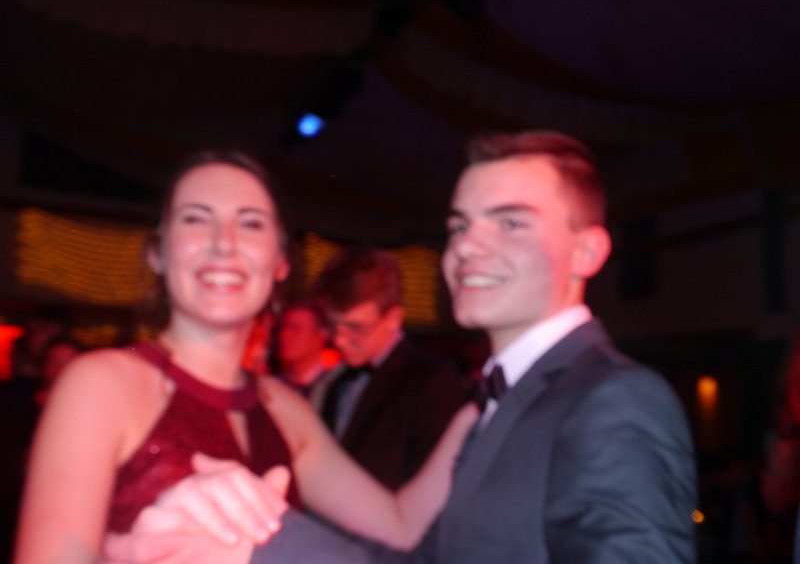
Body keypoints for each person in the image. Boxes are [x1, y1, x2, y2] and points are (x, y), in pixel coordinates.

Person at [103, 130, 698, 563]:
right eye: (460, 226)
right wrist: (259, 537)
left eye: (510, 222)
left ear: (588, 252)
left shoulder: (615, 398)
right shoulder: (496, 404)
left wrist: (265, 543)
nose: (468, 247)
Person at [14, 151, 478, 564]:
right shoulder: (101, 384)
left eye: (251, 223)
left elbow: (399, 524)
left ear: (280, 262)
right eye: (196, 219)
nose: (224, 242)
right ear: (158, 251)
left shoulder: (285, 409)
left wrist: (479, 409)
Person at [311, 247, 467, 489]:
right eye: (333, 325)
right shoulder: (336, 381)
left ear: (393, 319)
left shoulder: (432, 381)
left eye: (355, 327)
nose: (339, 341)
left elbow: (435, 483)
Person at [274, 300, 331, 395]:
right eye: (283, 328)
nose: (284, 335)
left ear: (320, 336)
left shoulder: (331, 391)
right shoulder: (273, 386)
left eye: (296, 329)